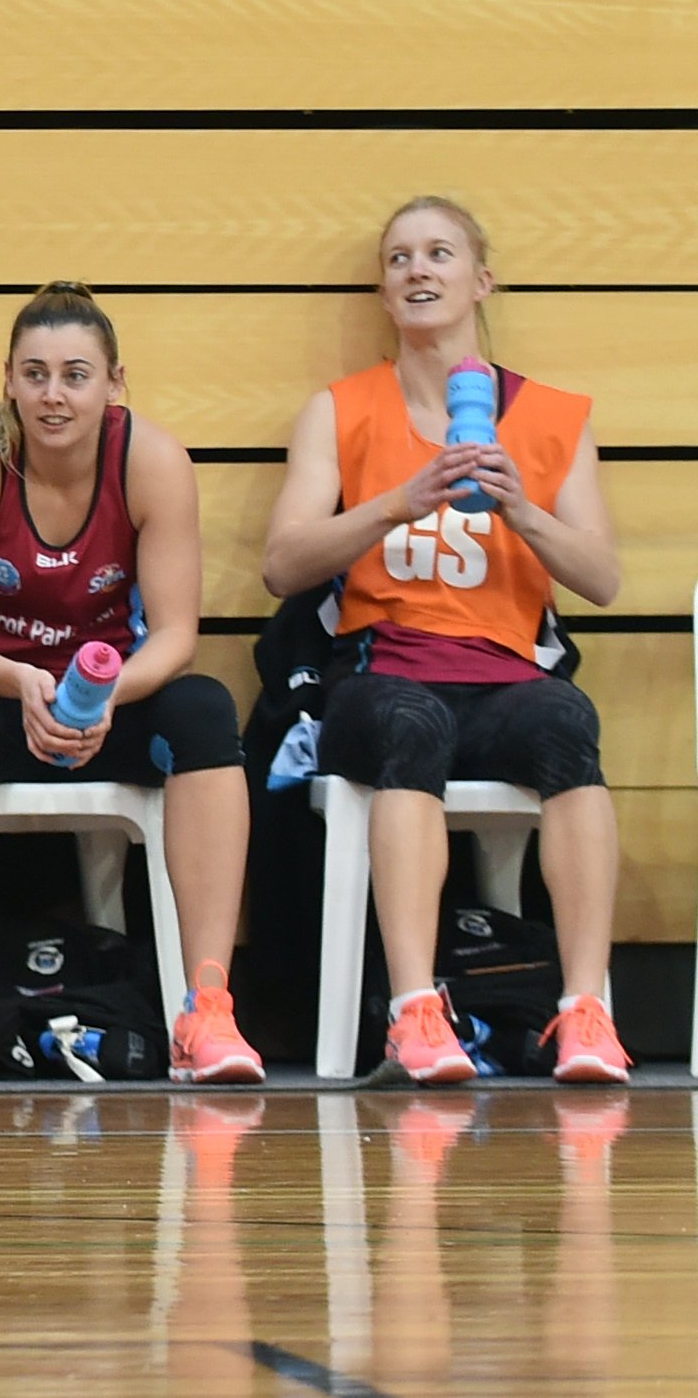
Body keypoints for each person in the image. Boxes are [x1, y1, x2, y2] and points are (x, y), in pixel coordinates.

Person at [262, 196, 630, 1086]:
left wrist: (521, 508)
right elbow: (282, 562)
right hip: (379, 672)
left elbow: (605, 578)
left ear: (480, 280)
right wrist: (397, 499)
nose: (417, 270)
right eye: (399, 259)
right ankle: (415, 1010)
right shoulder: (342, 409)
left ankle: (584, 1010)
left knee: (566, 723)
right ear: (386, 295)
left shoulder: (549, 417)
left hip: (503, 676)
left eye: (438, 254)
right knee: (410, 722)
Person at [0, 282, 259, 1089]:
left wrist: (109, 696)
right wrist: (20, 680)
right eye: (36, 373)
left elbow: (179, 635)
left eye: (76, 374)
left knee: (205, 711)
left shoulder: (152, 461)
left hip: (108, 691)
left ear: (115, 383)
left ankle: (209, 1009)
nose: (54, 394)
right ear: (8, 379)